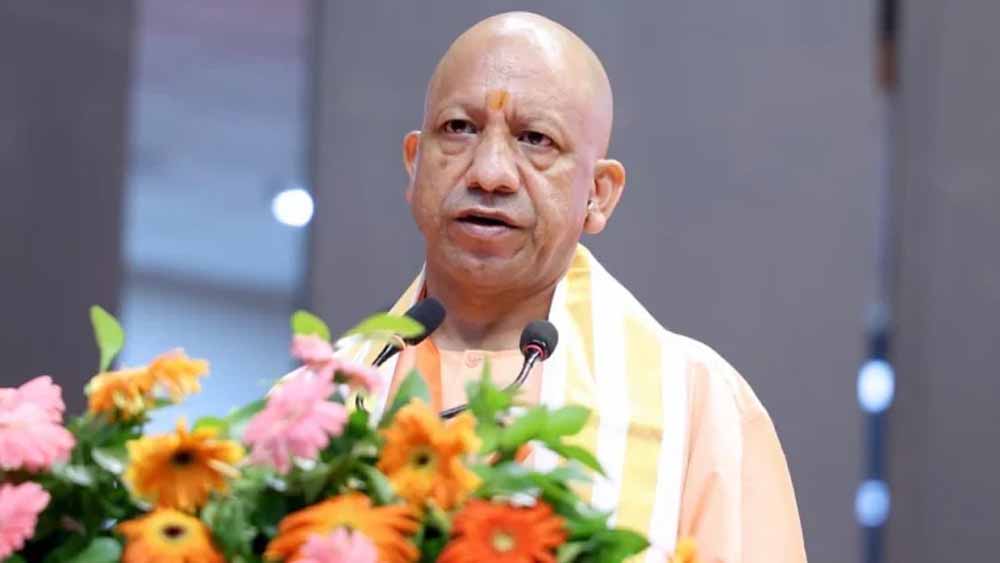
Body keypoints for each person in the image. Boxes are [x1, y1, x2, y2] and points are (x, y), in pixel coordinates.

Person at [347, 12, 807, 562]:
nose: (490, 172)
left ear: (599, 194)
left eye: (535, 139)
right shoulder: (320, 403)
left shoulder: (701, 407)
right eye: (460, 129)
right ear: (414, 163)